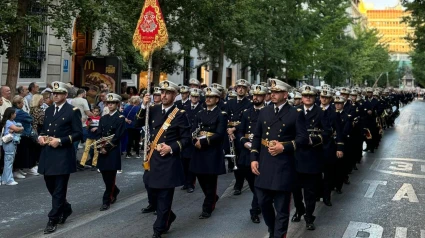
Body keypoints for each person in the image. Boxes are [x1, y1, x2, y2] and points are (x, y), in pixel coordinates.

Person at [250, 78, 309, 238]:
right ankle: (272, 228)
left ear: (285, 94)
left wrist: (284, 146)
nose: (273, 94)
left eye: (276, 92)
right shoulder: (265, 111)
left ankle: (278, 235)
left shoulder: (295, 113)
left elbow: (303, 139)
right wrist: (254, 158)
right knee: (263, 202)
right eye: (272, 92)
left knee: (282, 208)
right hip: (264, 163)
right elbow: (257, 136)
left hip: (284, 165)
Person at [137, 80, 190, 238]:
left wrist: (171, 148)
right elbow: (136, 123)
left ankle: (158, 229)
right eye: (162, 92)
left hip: (168, 160)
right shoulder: (152, 109)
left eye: (168, 93)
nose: (164, 95)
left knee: (164, 196)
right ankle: (169, 216)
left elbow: (186, 139)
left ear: (175, 95)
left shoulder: (180, 114)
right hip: (153, 158)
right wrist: (143, 106)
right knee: (150, 187)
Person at [37, 81, 83, 234]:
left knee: (59, 189)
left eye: (58, 93)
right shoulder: (49, 110)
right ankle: (66, 207)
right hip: (49, 153)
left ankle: (53, 219)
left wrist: (61, 140)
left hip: (63, 154)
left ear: (65, 95)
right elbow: (44, 130)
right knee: (50, 184)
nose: (54, 95)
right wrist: (41, 138)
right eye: (53, 93)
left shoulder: (73, 111)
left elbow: (78, 134)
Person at [292, 85, 332, 231]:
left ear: (315, 97)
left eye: (310, 96)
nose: (307, 98)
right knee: (295, 189)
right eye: (305, 95)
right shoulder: (295, 111)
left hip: (312, 156)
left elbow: (327, 132)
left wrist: (313, 140)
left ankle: (309, 216)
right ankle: (299, 209)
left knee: (310, 191)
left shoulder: (320, 113)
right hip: (296, 155)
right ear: (301, 97)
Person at [190, 87, 227, 219]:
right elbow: (194, 129)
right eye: (206, 97)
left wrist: (204, 142)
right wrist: (195, 141)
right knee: (200, 177)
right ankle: (212, 197)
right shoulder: (200, 113)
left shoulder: (221, 114)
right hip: (199, 150)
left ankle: (207, 208)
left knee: (210, 181)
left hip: (212, 150)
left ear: (217, 99)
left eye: (211, 97)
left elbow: (219, 134)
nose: (208, 99)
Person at [236, 85, 267, 224]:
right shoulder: (247, 112)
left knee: (258, 182)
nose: (256, 97)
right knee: (251, 180)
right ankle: (261, 201)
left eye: (259, 95)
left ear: (265, 97)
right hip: (246, 150)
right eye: (254, 95)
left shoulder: (268, 112)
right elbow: (240, 131)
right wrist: (244, 142)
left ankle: (254, 211)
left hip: (261, 151)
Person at [97, 93, 126, 211]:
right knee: (104, 175)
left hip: (112, 150)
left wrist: (107, 148)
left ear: (117, 104)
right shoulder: (103, 118)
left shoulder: (120, 118)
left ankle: (106, 200)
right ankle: (115, 190)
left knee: (111, 177)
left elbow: (118, 136)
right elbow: (99, 133)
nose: (110, 105)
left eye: (113, 103)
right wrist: (100, 147)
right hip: (102, 149)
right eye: (108, 103)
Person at [225, 79, 252, 194]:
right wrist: (228, 130)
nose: (241, 89)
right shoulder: (230, 103)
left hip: (241, 134)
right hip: (230, 135)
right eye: (239, 87)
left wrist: (234, 129)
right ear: (236, 89)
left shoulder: (249, 104)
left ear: (246, 90)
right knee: (234, 159)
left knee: (242, 161)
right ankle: (238, 182)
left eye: (243, 88)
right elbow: (224, 118)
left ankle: (242, 182)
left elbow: (247, 121)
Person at [181, 88, 203, 193]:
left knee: (191, 162)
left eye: (196, 97)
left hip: (194, 137)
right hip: (185, 136)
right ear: (190, 97)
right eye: (192, 96)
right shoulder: (185, 107)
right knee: (184, 161)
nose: (194, 98)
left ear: (199, 98)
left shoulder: (202, 108)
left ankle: (191, 183)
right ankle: (185, 182)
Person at [12, 96, 38, 178]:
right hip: (23, 134)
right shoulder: (20, 112)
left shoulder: (13, 110)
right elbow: (30, 118)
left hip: (19, 134)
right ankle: (17, 170)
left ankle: (19, 169)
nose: (23, 104)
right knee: (22, 153)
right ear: (18, 103)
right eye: (22, 102)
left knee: (20, 153)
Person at [1, 108, 24, 185]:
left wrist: (16, 129)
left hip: (12, 143)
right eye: (14, 113)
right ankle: (9, 180)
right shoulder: (8, 122)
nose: (15, 114)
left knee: (9, 161)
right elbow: (18, 129)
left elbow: (16, 129)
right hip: (9, 143)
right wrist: (20, 128)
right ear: (11, 114)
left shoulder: (12, 122)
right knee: (9, 161)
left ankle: (5, 178)